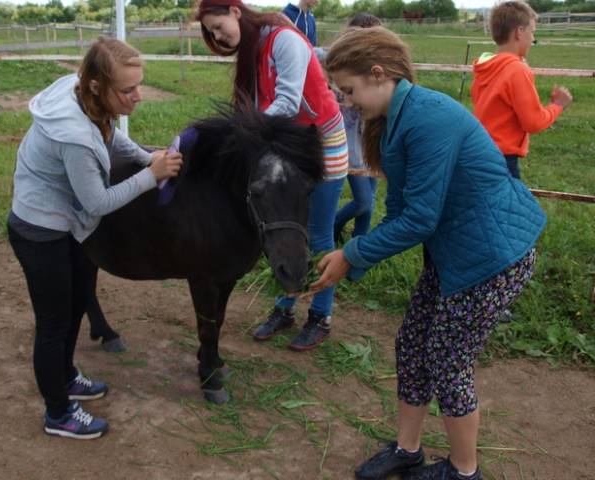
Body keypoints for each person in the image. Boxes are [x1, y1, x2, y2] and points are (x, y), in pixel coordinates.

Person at [311, 27, 547, 479]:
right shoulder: (393, 121)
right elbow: (401, 207)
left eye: (349, 90)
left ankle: (463, 471)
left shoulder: (428, 117)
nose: (346, 102)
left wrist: (352, 254)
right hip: (456, 254)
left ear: (378, 74)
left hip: (492, 257)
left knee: (447, 360)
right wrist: (353, 259)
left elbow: (421, 219)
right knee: (413, 344)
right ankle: (408, 448)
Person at [8, 37, 182, 439]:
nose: (137, 96)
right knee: (53, 323)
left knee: (73, 308)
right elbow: (99, 202)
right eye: (127, 90)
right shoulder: (75, 138)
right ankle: (57, 413)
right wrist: (150, 176)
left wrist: (143, 155)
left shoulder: (83, 96)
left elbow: (107, 131)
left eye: (139, 85)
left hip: (63, 223)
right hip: (39, 231)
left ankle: (66, 376)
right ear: (95, 86)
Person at [197, 0, 348, 351]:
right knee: (281, 223)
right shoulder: (253, 49)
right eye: (211, 33)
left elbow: (288, 102)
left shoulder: (284, 40)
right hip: (287, 141)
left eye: (218, 26)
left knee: (317, 232)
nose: (218, 37)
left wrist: (234, 130)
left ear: (236, 11)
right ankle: (286, 307)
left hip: (320, 141)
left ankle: (320, 317)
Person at [471, 0, 572, 179]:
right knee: (512, 206)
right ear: (519, 32)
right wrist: (557, 105)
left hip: (480, 151)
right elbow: (533, 122)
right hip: (503, 159)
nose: (533, 38)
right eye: (532, 32)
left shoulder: (486, 66)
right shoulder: (516, 70)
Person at [323, 13, 381, 244]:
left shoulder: (377, 70)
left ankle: (359, 246)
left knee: (370, 201)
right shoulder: (337, 70)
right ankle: (334, 223)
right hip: (349, 149)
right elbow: (335, 115)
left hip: (371, 143)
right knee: (364, 201)